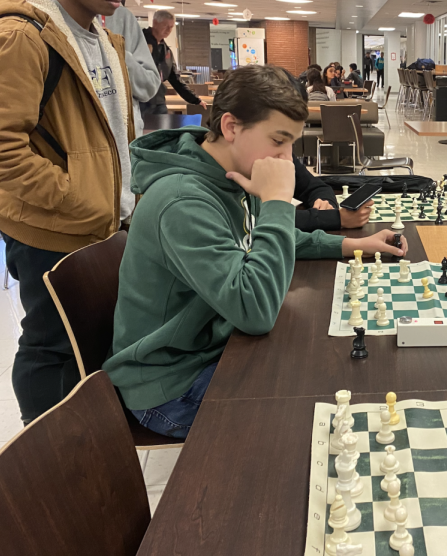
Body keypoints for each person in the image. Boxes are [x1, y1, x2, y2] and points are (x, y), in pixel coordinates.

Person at [103, 64, 406, 438]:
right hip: (171, 384)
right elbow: (255, 311)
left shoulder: (229, 173)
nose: (287, 158)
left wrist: (353, 244)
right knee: (319, 406)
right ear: (231, 127)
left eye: (291, 144)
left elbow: (267, 240)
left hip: (211, 345)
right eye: (279, 141)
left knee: (322, 363)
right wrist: (278, 200)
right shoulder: (182, 201)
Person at [0, 0, 137, 424]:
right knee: (51, 344)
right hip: (51, 226)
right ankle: (51, 460)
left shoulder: (101, 38)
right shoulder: (22, 35)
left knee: (87, 340)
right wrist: (75, 196)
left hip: (99, 224)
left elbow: (114, 135)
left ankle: (86, 442)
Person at [104, 4, 161, 137]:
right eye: (166, 26)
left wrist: (118, 53)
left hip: (125, 132)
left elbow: (151, 82)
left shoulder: (122, 17)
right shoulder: (49, 21)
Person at [140, 9, 206, 115]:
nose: (168, 30)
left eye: (171, 27)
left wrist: (196, 100)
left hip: (159, 102)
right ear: (155, 23)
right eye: (165, 25)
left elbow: (175, 79)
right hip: (140, 101)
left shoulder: (166, 50)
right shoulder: (139, 41)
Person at [292, 157, 372, 231]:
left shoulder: (287, 156)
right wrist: (336, 218)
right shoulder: (283, 156)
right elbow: (280, 219)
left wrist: (324, 204)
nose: (287, 157)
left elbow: (317, 187)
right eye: (279, 143)